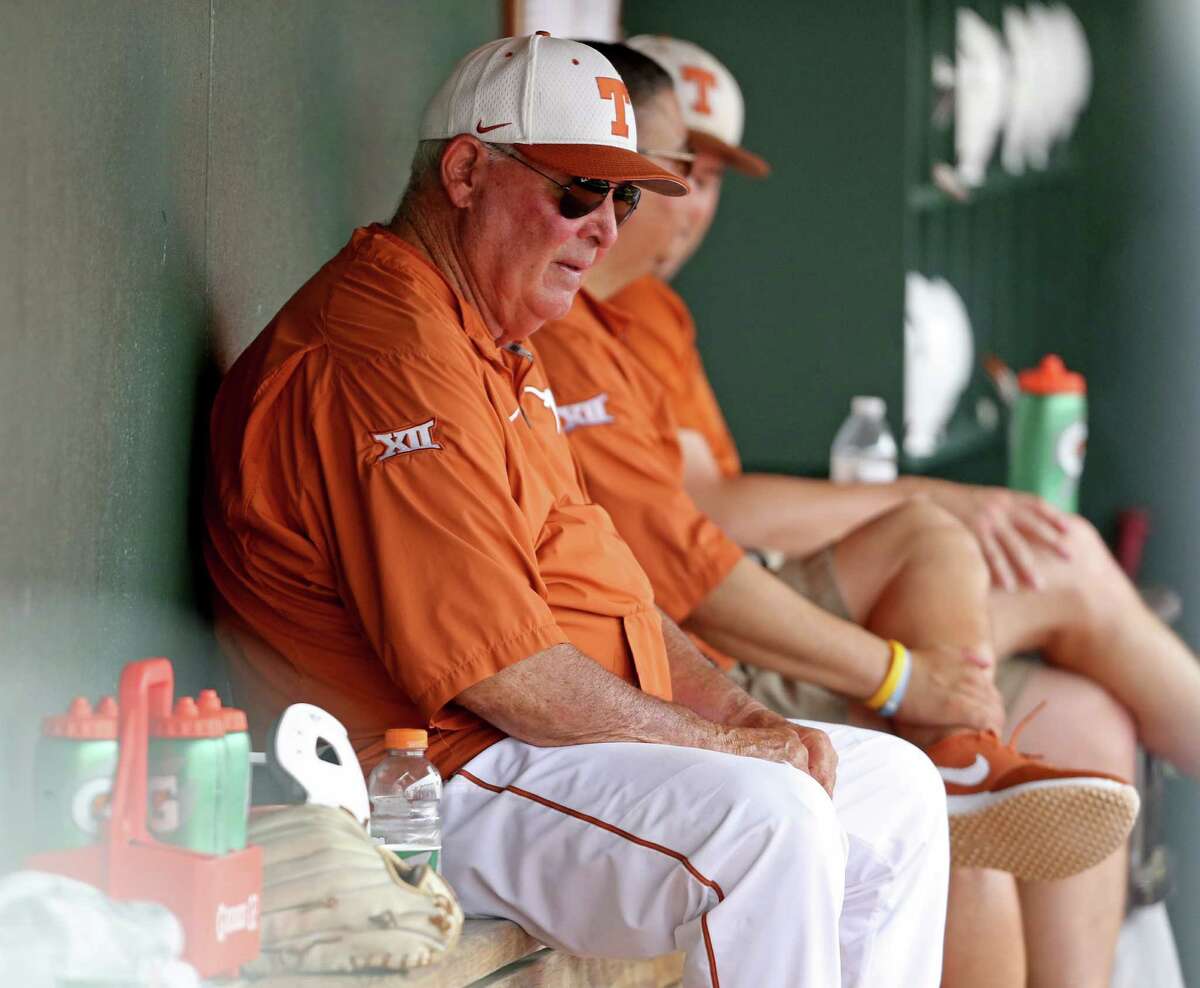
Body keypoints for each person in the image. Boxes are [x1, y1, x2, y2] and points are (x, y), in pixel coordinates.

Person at [204, 33, 952, 987]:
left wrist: (746, 719)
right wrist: (735, 751)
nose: (605, 228)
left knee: (892, 788)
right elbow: (507, 679)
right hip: (420, 784)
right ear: (468, 170)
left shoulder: (493, 344)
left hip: (527, 757)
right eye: (576, 192)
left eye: (624, 197)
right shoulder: (385, 353)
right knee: (770, 821)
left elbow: (620, 600)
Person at [594, 32, 1200, 987]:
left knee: (1081, 725)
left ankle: (961, 759)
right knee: (1054, 572)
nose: (686, 207)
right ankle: (960, 756)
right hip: (687, 651)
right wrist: (904, 660)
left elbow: (706, 505)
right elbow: (705, 521)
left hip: (740, 607)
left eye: (706, 177)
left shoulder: (651, 315)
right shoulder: (561, 312)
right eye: (670, 173)